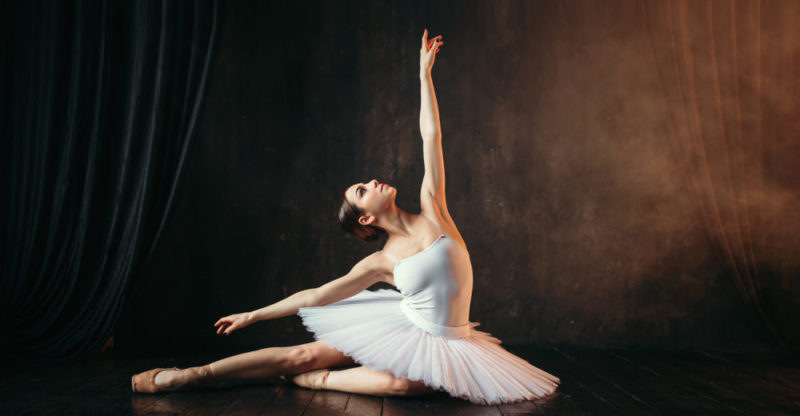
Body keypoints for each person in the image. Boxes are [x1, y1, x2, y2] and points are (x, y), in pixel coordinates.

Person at [131, 29, 560, 404]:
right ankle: (192, 376)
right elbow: (317, 295)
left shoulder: (435, 208)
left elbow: (431, 135)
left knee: (403, 385)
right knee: (304, 354)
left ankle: (320, 381)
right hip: (402, 327)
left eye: (366, 183)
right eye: (362, 190)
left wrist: (424, 75)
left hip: (447, 340)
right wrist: (253, 315)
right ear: (366, 220)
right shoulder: (382, 262)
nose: (372, 182)